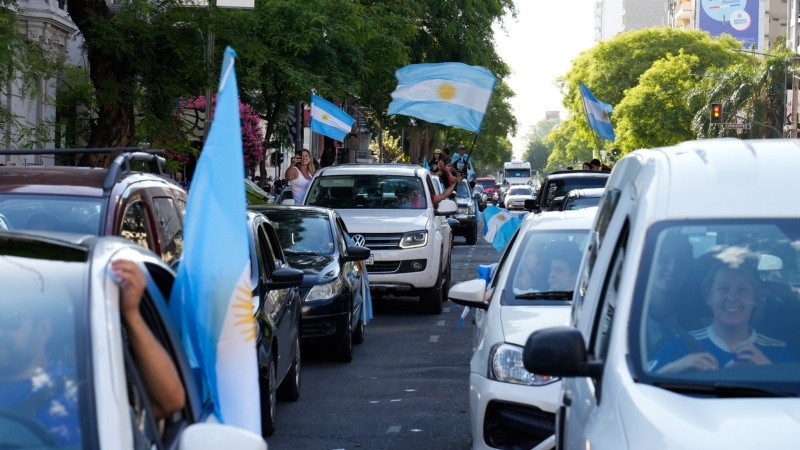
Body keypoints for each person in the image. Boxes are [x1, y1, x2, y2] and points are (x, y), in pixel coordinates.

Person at [0, 260, 185, 446]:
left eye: (10, 318)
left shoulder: (88, 393)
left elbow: (168, 404)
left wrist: (131, 314)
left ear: (43, 330)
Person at [650, 262, 796, 374]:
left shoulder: (780, 351)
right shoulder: (679, 345)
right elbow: (643, 389)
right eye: (723, 289)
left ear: (756, 299)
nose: (732, 298)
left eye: (742, 290)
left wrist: (767, 369)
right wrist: (678, 366)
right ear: (708, 297)